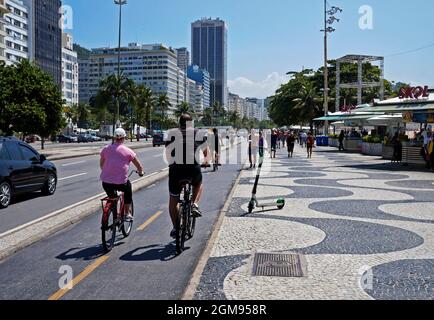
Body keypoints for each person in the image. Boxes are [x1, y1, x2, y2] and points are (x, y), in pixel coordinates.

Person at [165, 114, 209, 239]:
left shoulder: (172, 133)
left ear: (179, 123)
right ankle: (194, 204)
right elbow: (206, 151)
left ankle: (175, 227)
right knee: (198, 184)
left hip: (176, 170)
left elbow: (168, 153)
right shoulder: (197, 133)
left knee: (173, 200)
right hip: (192, 168)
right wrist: (206, 161)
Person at [100, 128, 145, 222]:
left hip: (106, 182)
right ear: (124, 138)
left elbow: (102, 164)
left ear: (114, 137)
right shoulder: (128, 151)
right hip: (121, 183)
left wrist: (108, 172)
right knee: (128, 190)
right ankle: (127, 213)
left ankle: (112, 211)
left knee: (112, 197)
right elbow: (139, 166)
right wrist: (141, 172)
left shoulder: (105, 149)